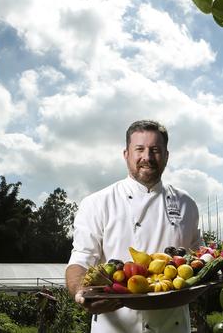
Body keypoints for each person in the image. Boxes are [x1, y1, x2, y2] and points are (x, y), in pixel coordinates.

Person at [65, 120, 201, 332]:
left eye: (155, 150)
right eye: (139, 149)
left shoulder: (187, 203)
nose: (147, 157)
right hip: (115, 325)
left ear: (166, 155)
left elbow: (197, 259)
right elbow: (81, 259)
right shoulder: (97, 203)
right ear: (126, 154)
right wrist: (80, 292)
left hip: (173, 325)